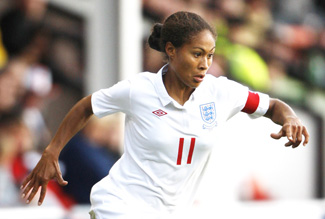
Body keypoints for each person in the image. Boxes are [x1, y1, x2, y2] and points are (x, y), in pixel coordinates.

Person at [21, 11, 309, 218]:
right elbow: (87, 106)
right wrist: (52, 151)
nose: (205, 64)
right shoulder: (139, 90)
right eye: (197, 54)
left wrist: (290, 119)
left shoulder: (220, 92)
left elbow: (271, 105)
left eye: (210, 55)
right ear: (171, 50)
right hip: (120, 206)